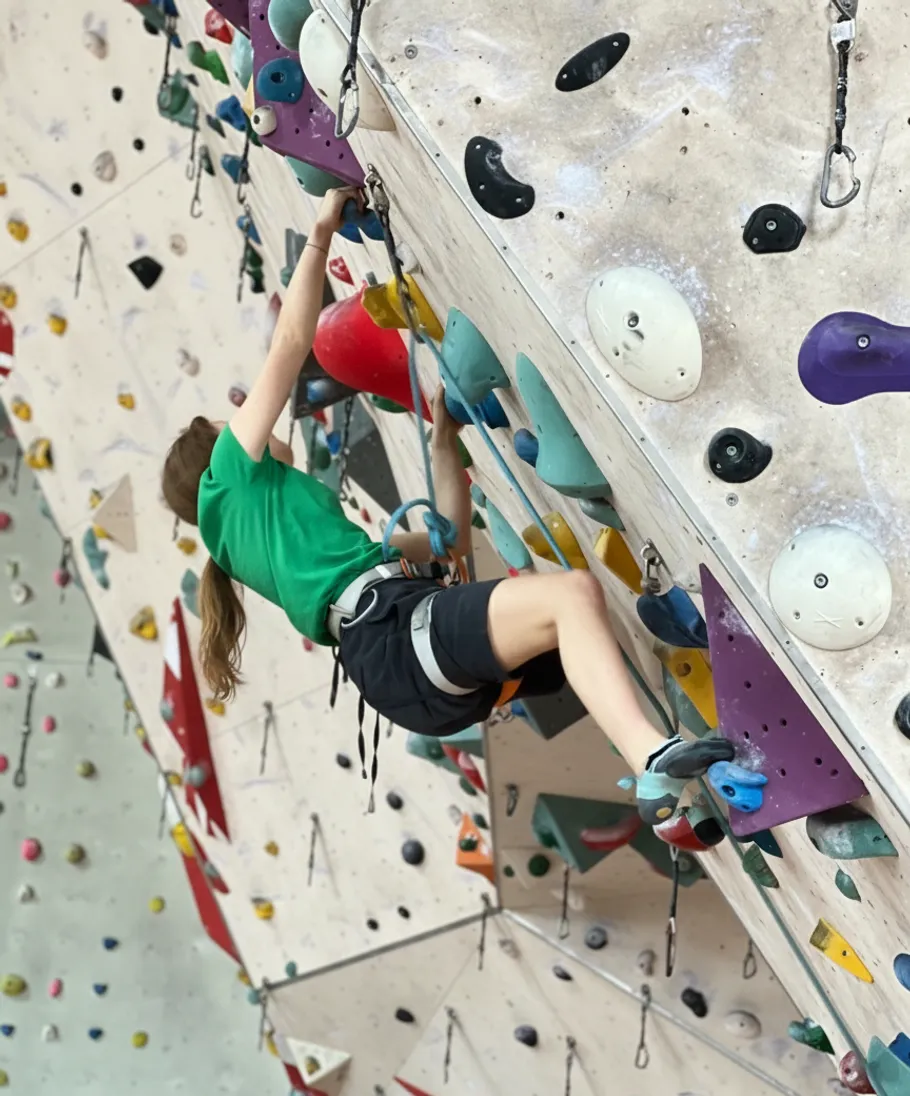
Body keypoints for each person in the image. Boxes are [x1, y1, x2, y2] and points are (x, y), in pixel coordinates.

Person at [161, 187, 733, 823]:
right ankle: (653, 761)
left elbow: (447, 546)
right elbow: (292, 341)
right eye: (230, 421)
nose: (247, 418)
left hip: (400, 665)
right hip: (394, 637)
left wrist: (441, 443)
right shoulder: (227, 480)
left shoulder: (264, 542)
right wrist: (320, 231)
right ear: (216, 453)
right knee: (572, 596)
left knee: (574, 629)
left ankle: (686, 797)